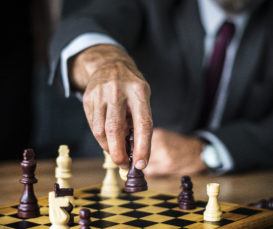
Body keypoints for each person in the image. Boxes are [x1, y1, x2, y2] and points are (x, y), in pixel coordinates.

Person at [49, 0, 273, 176]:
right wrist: (104, 62)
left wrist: (208, 151)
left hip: (236, 182)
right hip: (104, 174)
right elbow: (81, 25)